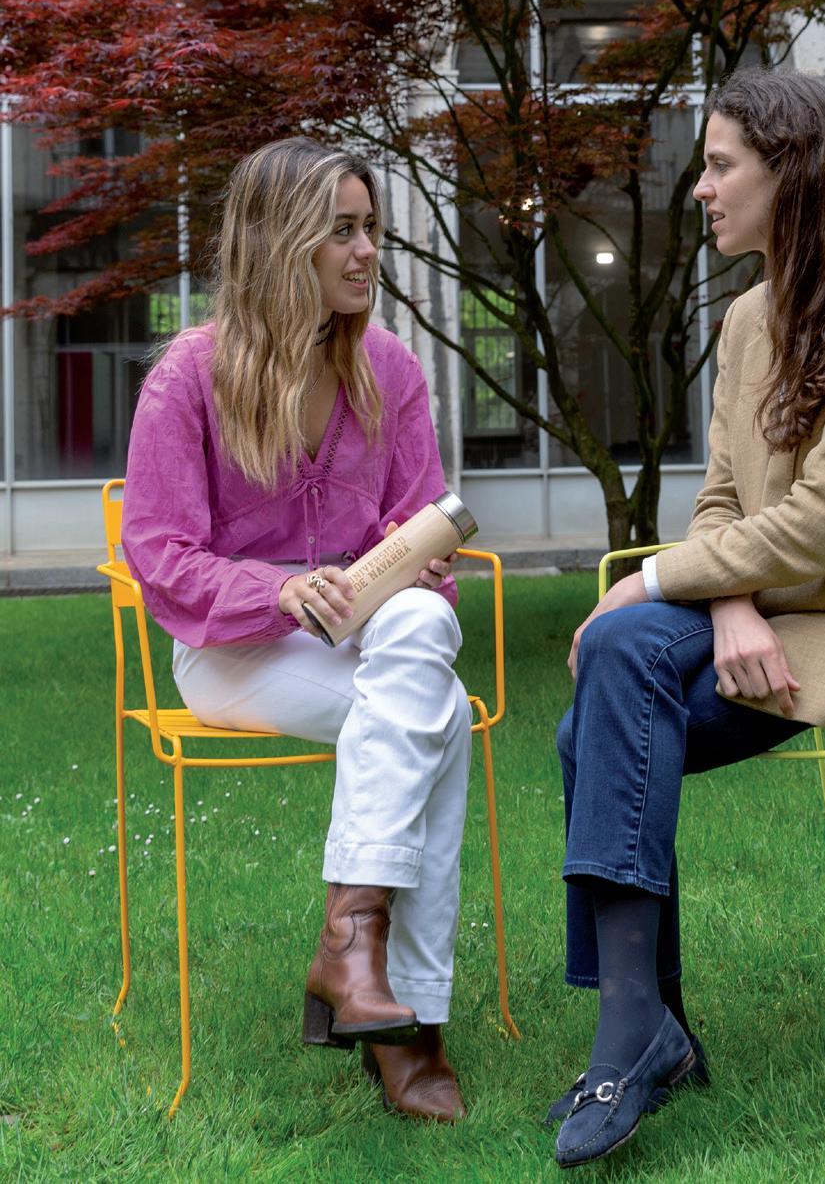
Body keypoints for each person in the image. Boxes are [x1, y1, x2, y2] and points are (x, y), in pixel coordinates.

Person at [549, 69, 825, 1167]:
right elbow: (723, 502)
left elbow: (822, 523)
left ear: (792, 172)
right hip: (770, 603)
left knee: (600, 699)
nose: (699, 188)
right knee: (616, 675)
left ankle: (639, 1030)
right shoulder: (748, 316)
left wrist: (657, 581)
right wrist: (729, 601)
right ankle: (643, 1033)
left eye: (719, 165)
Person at [121, 137, 472, 1123]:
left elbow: (411, 526)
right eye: (342, 232)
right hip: (231, 649)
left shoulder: (389, 370)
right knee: (438, 721)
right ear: (282, 244)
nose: (367, 251)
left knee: (418, 629)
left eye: (371, 229)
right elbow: (159, 554)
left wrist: (419, 561)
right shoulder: (189, 377)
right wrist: (276, 592)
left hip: (364, 634)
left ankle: (353, 960)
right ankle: (405, 1020)